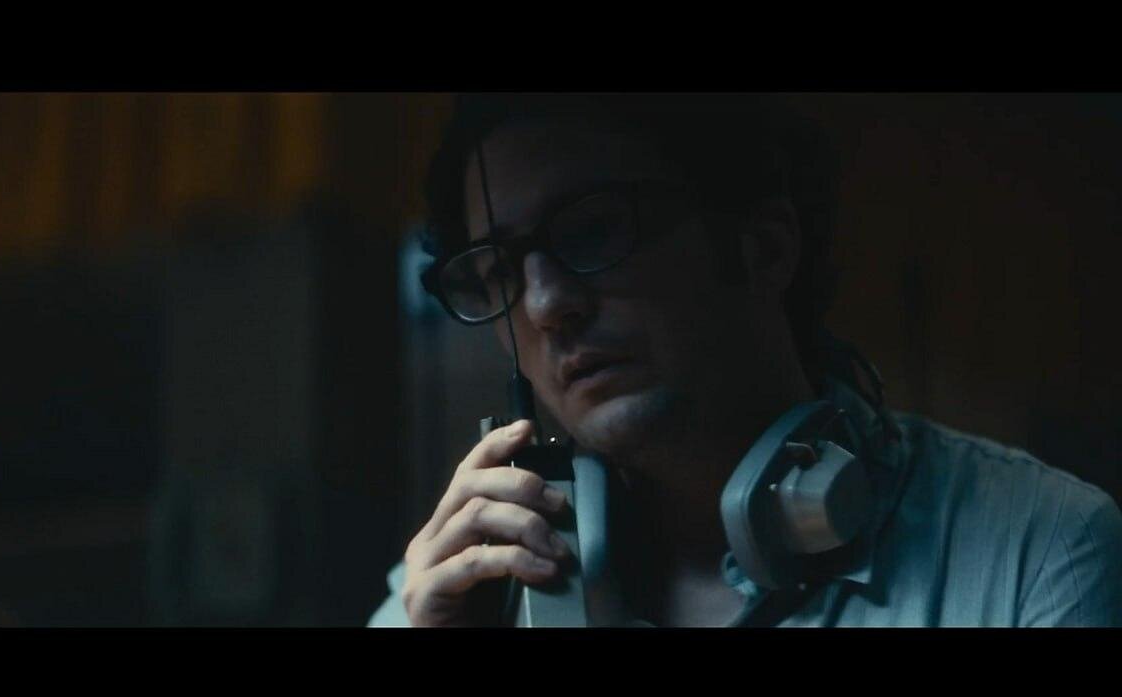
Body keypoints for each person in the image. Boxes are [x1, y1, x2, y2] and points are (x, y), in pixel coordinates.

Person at [368, 93, 1122, 627]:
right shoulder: (448, 596)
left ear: (763, 246)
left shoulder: (1043, 550)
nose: (543, 304)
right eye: (499, 272)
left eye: (593, 231)